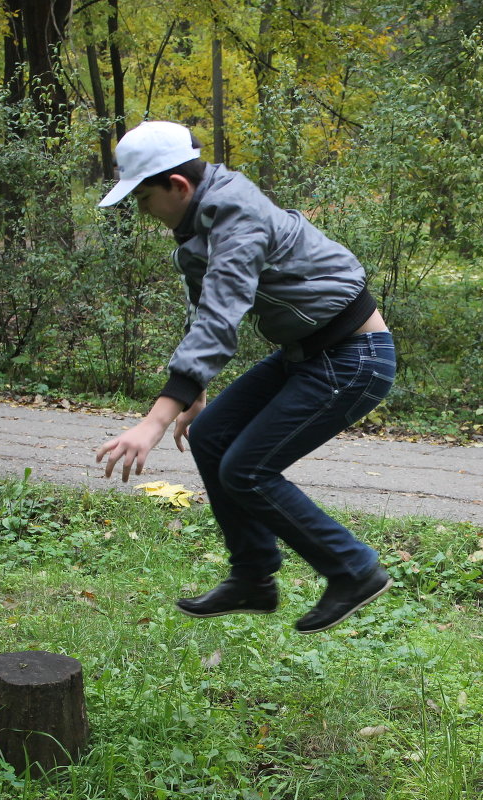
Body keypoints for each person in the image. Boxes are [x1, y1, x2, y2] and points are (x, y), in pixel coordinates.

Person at [94, 121, 395, 634]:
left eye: (143, 199)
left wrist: (154, 421)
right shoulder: (196, 229)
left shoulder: (237, 216)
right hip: (308, 353)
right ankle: (253, 578)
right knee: (211, 436)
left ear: (178, 186)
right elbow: (204, 312)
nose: (142, 213)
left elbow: (219, 322)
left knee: (247, 470)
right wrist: (194, 399)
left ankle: (353, 569)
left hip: (353, 358)